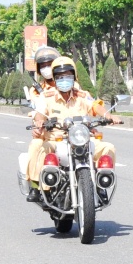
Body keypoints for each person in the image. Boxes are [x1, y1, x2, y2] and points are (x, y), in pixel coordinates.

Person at [27, 56, 121, 201]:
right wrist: (40, 122)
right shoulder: (46, 96)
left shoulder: (82, 95)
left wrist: (109, 116)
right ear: (55, 78)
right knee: (38, 146)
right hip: (56, 140)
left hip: (81, 139)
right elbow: (40, 112)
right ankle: (38, 187)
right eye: (59, 76)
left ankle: (101, 185)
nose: (64, 79)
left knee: (108, 148)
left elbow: (95, 106)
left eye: (67, 76)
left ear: (74, 77)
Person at [24, 46, 60, 201]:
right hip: (47, 132)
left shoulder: (71, 84)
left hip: (70, 131)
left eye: (49, 64)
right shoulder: (37, 90)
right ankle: (35, 186)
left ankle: (98, 184)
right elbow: (37, 109)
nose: (46, 68)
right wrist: (38, 122)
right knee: (35, 146)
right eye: (43, 66)